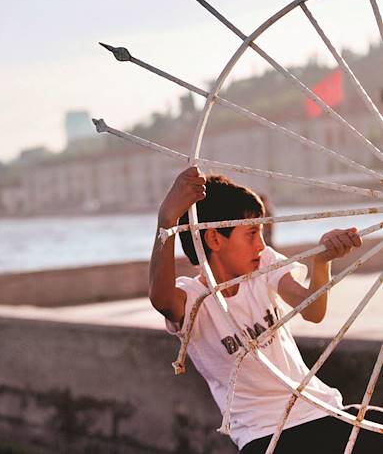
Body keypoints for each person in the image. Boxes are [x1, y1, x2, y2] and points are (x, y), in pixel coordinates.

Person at [148, 166, 383, 453]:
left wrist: (322, 262)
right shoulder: (194, 298)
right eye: (251, 234)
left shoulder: (264, 265)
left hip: (321, 410)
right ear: (213, 240)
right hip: (264, 437)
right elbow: (161, 299)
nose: (261, 244)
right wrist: (167, 218)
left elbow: (312, 310)